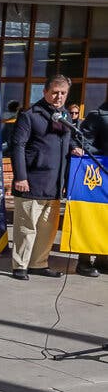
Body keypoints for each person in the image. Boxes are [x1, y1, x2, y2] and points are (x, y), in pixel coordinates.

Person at [9, 74, 82, 280]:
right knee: (26, 227)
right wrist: (20, 177)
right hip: (32, 180)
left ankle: (39, 263)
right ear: (45, 92)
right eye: (55, 92)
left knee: (48, 229)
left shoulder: (65, 116)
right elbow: (18, 146)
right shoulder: (30, 115)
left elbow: (67, 141)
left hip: (55, 183)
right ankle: (20, 265)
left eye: (63, 93)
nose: (59, 97)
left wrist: (75, 148)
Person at [76, 97, 108, 276]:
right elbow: (83, 142)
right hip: (98, 175)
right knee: (92, 219)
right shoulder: (97, 116)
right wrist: (102, 154)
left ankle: (104, 259)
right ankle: (84, 261)